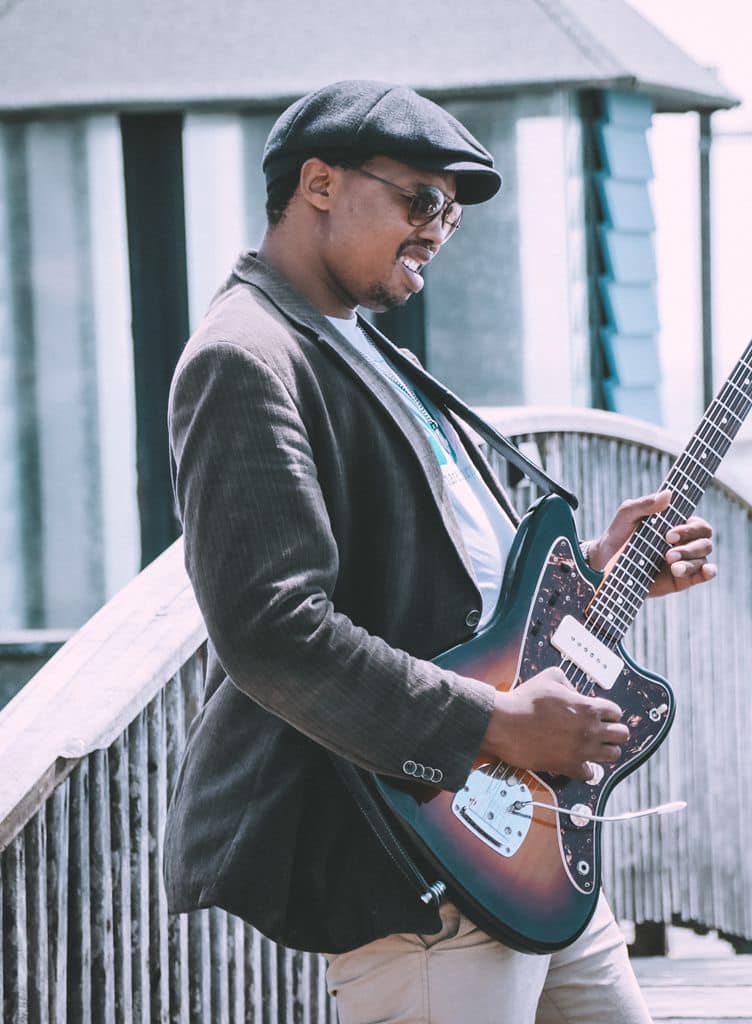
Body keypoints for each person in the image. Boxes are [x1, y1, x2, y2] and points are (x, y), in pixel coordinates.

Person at [164, 80, 717, 1024]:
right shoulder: (245, 357)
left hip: (515, 842)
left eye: (451, 214)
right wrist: (496, 727)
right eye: (420, 200)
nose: (437, 229)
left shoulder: (357, 342)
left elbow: (443, 582)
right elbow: (271, 630)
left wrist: (595, 570)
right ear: (321, 183)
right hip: (411, 856)